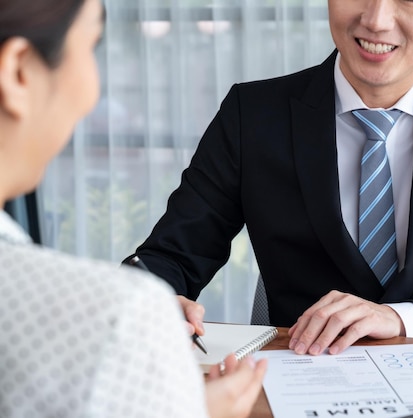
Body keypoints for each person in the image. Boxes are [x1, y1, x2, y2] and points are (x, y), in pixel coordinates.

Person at [128, 0, 413, 356]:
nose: (376, 19)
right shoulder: (253, 116)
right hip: (299, 383)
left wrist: (399, 318)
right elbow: (170, 258)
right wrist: (153, 299)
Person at [0, 0, 266, 417]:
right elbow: (174, 252)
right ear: (18, 72)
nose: (92, 93)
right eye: (91, 47)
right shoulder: (112, 319)